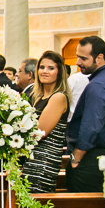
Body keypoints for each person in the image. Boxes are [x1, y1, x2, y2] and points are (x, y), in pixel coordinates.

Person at [65, 36, 105, 193]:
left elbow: (91, 125)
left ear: (99, 58)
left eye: (83, 58)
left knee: (81, 206)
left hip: (92, 158)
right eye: (78, 57)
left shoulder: (99, 84)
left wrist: (75, 158)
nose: (78, 62)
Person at [22, 51, 71, 193]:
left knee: (36, 199)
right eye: (42, 67)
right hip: (32, 157)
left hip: (45, 160)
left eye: (51, 68)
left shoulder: (58, 97)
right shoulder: (38, 97)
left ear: (59, 72)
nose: (45, 71)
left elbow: (39, 132)